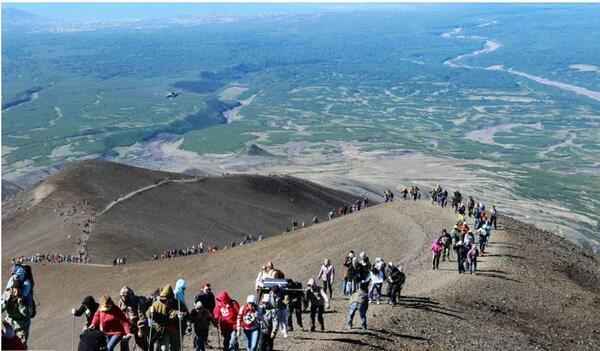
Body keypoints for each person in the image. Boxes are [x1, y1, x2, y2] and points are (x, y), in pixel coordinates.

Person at [146, 285, 179, 351]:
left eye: (166, 299)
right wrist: (151, 311)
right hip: (158, 330)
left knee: (169, 348)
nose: (165, 301)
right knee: (161, 348)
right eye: (163, 300)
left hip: (170, 329)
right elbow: (147, 314)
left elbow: (176, 312)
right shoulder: (156, 304)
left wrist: (179, 315)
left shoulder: (175, 303)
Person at [2, 280, 31, 347]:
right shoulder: (8, 295)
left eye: (18, 290)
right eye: (14, 290)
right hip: (9, 320)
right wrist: (6, 300)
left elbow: (26, 314)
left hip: (21, 325)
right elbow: (2, 306)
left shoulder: (24, 299)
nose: (16, 292)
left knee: (21, 344)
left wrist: (21, 303)